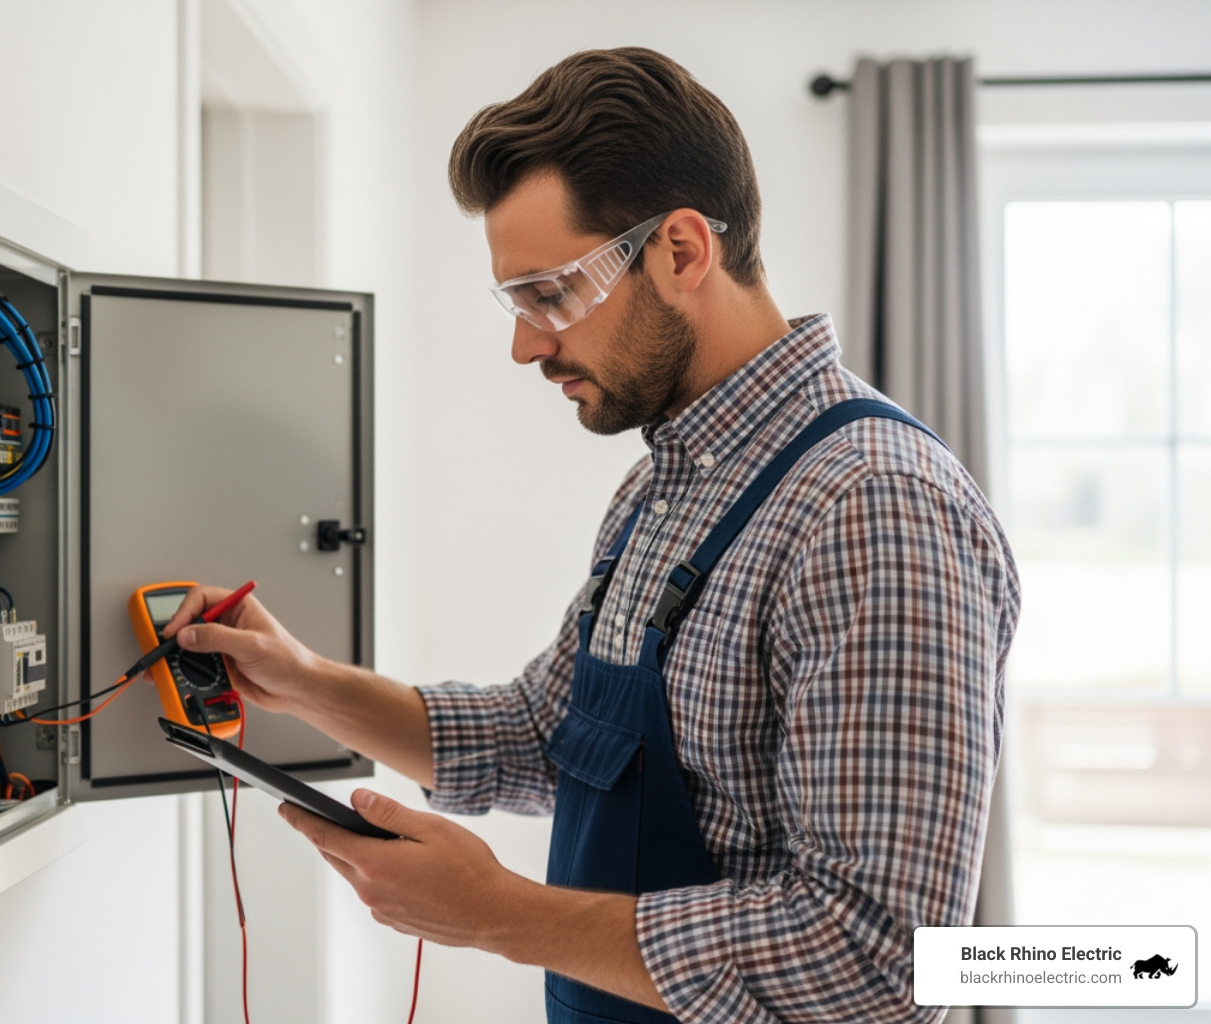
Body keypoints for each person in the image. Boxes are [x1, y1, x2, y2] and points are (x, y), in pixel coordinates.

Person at [162, 46, 1019, 1024]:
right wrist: (307, 683)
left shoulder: (874, 509)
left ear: (684, 251)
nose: (525, 343)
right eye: (515, 301)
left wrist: (502, 917)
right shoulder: (661, 485)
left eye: (549, 292)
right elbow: (545, 734)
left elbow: (879, 963)